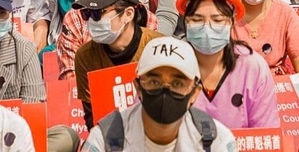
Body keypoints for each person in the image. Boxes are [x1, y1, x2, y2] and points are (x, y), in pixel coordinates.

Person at [80, 36, 237, 152]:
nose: (165, 91)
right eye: (154, 82)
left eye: (178, 84)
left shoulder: (217, 141)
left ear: (195, 93)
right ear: (138, 87)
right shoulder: (105, 138)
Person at [176, 0, 280, 129]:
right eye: (197, 19)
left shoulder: (252, 68)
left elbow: (266, 132)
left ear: (231, 21)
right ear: (185, 22)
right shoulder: (168, 64)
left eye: (217, 20)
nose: (207, 28)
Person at [73, 0, 163, 129]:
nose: (92, 21)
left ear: (128, 14)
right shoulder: (85, 56)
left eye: (98, 13)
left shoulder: (158, 48)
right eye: (87, 13)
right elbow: (91, 117)